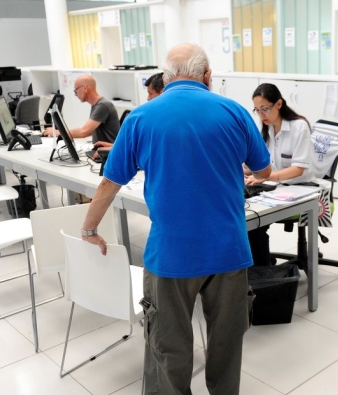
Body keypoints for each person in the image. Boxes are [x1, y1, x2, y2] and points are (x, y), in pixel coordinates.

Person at [80, 43, 271, 394]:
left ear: (165, 79)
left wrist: (89, 228)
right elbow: (264, 168)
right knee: (227, 348)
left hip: (171, 256)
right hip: (229, 252)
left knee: (169, 351)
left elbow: (110, 181)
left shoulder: (141, 117)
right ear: (208, 75)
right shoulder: (235, 112)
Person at [245, 83, 313, 266]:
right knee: (247, 219)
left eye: (265, 109)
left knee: (254, 225)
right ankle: (256, 272)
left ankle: (263, 275)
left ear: (279, 104)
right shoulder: (266, 129)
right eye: (257, 110)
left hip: (300, 189)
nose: (261, 115)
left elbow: (298, 169)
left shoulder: (299, 127)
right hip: (275, 187)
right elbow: (260, 164)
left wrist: (265, 177)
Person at [42, 75, 120, 160]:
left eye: (76, 90)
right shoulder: (97, 105)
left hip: (108, 155)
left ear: (85, 88)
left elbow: (84, 132)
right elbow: (90, 131)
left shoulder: (103, 105)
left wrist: (58, 132)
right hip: (99, 152)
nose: (75, 94)